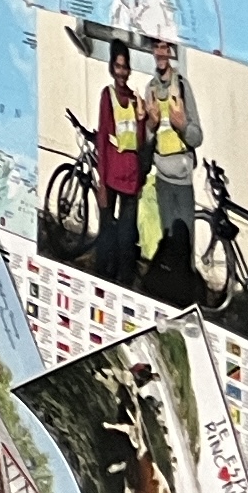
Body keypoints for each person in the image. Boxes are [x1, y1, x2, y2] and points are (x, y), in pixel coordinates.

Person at [89, 44, 151, 288]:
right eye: (118, 66)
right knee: (106, 234)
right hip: (111, 177)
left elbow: (139, 142)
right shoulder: (108, 96)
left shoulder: (136, 100)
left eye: (125, 67)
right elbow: (103, 139)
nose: (122, 72)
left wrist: (142, 118)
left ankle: (123, 284)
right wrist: (102, 183)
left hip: (131, 178)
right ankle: (102, 280)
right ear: (111, 68)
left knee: (126, 238)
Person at [145, 69, 202, 310]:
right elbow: (147, 137)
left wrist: (183, 125)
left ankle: (186, 304)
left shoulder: (183, 87)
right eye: (156, 50)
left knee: (185, 248)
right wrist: (151, 125)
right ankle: (169, 301)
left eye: (165, 50)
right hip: (162, 179)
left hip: (182, 181)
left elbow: (197, 138)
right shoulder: (150, 88)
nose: (160, 53)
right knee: (168, 247)